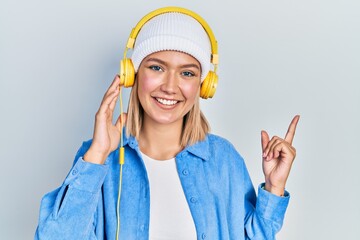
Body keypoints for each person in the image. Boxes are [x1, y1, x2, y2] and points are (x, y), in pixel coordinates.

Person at [34, 6, 300, 240]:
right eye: (157, 68)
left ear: (204, 85)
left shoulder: (223, 160)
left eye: (187, 73)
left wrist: (274, 188)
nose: (170, 86)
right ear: (132, 74)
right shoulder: (98, 158)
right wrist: (97, 155)